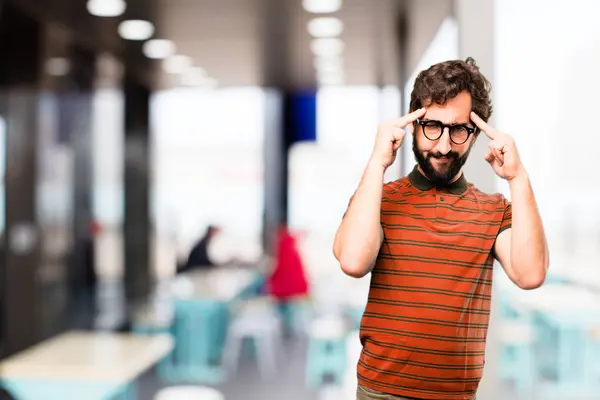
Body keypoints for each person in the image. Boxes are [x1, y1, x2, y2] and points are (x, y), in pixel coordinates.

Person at [333, 58, 549, 400]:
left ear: (475, 133)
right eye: (432, 125)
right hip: (381, 392)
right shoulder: (379, 198)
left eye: (459, 130)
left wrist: (518, 178)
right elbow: (354, 262)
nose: (444, 146)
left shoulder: (494, 210)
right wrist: (377, 162)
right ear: (413, 125)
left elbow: (530, 273)